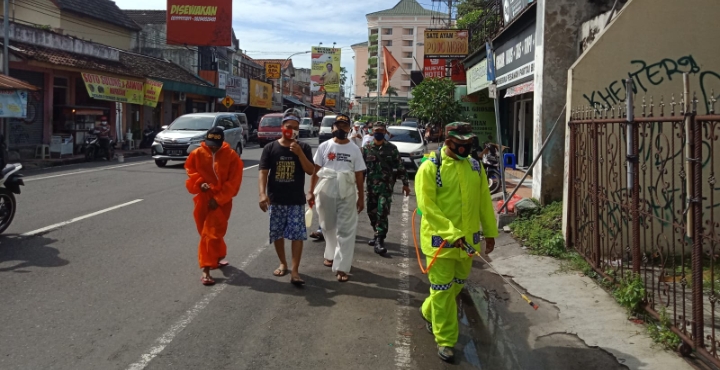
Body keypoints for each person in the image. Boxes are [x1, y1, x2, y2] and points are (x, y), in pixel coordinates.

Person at [415, 122, 498, 362]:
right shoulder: (430, 168)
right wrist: (452, 233)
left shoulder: (475, 167)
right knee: (442, 291)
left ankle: (427, 310)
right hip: (440, 242)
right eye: (460, 144)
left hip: (468, 244)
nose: (465, 148)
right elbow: (427, 207)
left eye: (468, 144)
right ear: (448, 141)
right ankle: (446, 340)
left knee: (456, 287)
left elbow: (484, 201)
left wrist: (490, 232)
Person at [259, 109, 315, 286]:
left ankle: (295, 270)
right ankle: (283, 263)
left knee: (297, 235)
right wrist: (262, 194)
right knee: (277, 233)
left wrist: (299, 153)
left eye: (295, 128)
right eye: (288, 127)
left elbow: (310, 170)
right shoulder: (270, 148)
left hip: (296, 200)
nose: (291, 130)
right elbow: (263, 172)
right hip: (276, 199)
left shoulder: (304, 147)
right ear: (282, 127)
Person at [309, 114, 366, 282]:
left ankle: (342, 266)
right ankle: (330, 253)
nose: (340, 129)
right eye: (338, 126)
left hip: (347, 191)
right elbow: (315, 170)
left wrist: (361, 197)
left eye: (344, 126)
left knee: (346, 230)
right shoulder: (324, 146)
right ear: (333, 128)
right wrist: (310, 191)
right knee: (327, 226)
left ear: (349, 129)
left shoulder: (354, 149)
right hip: (326, 190)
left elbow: (359, 175)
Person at [185, 127, 244, 286]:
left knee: (211, 233)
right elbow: (190, 170)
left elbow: (233, 182)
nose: (213, 148)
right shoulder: (197, 154)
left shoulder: (231, 156)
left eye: (216, 145)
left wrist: (218, 199)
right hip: (203, 198)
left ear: (222, 142)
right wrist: (200, 183)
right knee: (205, 232)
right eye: (210, 144)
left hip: (222, 200)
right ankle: (216, 257)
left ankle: (206, 268)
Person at [362, 122, 411, 254]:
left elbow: (400, 167)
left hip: (386, 187)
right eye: (376, 130)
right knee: (371, 212)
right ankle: (376, 233)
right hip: (371, 188)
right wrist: (357, 187)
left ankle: (380, 239)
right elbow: (361, 170)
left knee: (382, 211)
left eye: (381, 130)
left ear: (385, 133)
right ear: (372, 132)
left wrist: (406, 184)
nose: (379, 132)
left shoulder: (392, 149)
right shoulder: (366, 148)